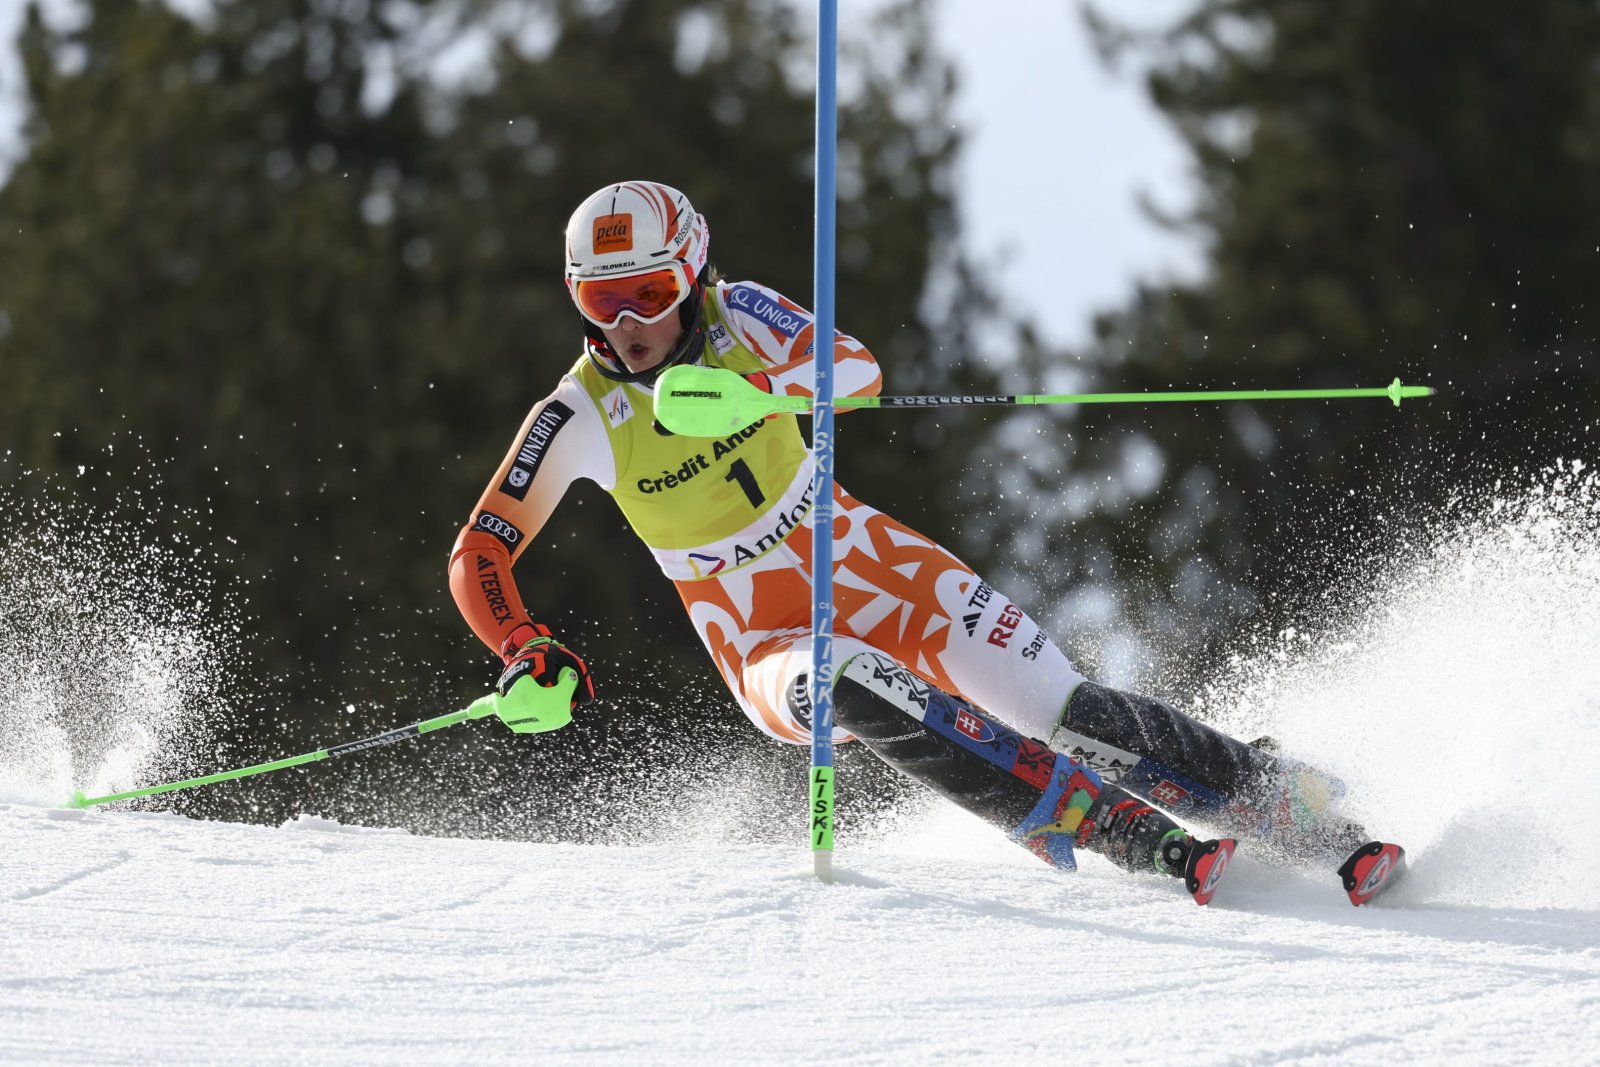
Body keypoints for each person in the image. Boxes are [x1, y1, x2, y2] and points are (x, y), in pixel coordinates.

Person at [448, 180, 1402, 906]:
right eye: (600, 301)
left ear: (692, 275)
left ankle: (1297, 812)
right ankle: (1101, 824)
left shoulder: (742, 314)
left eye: (649, 293)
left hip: (872, 560)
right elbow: (478, 553)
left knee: (1064, 705)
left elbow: (856, 369)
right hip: (761, 635)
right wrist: (522, 646)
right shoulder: (578, 411)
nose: (628, 327)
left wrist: (772, 390)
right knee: (842, 678)